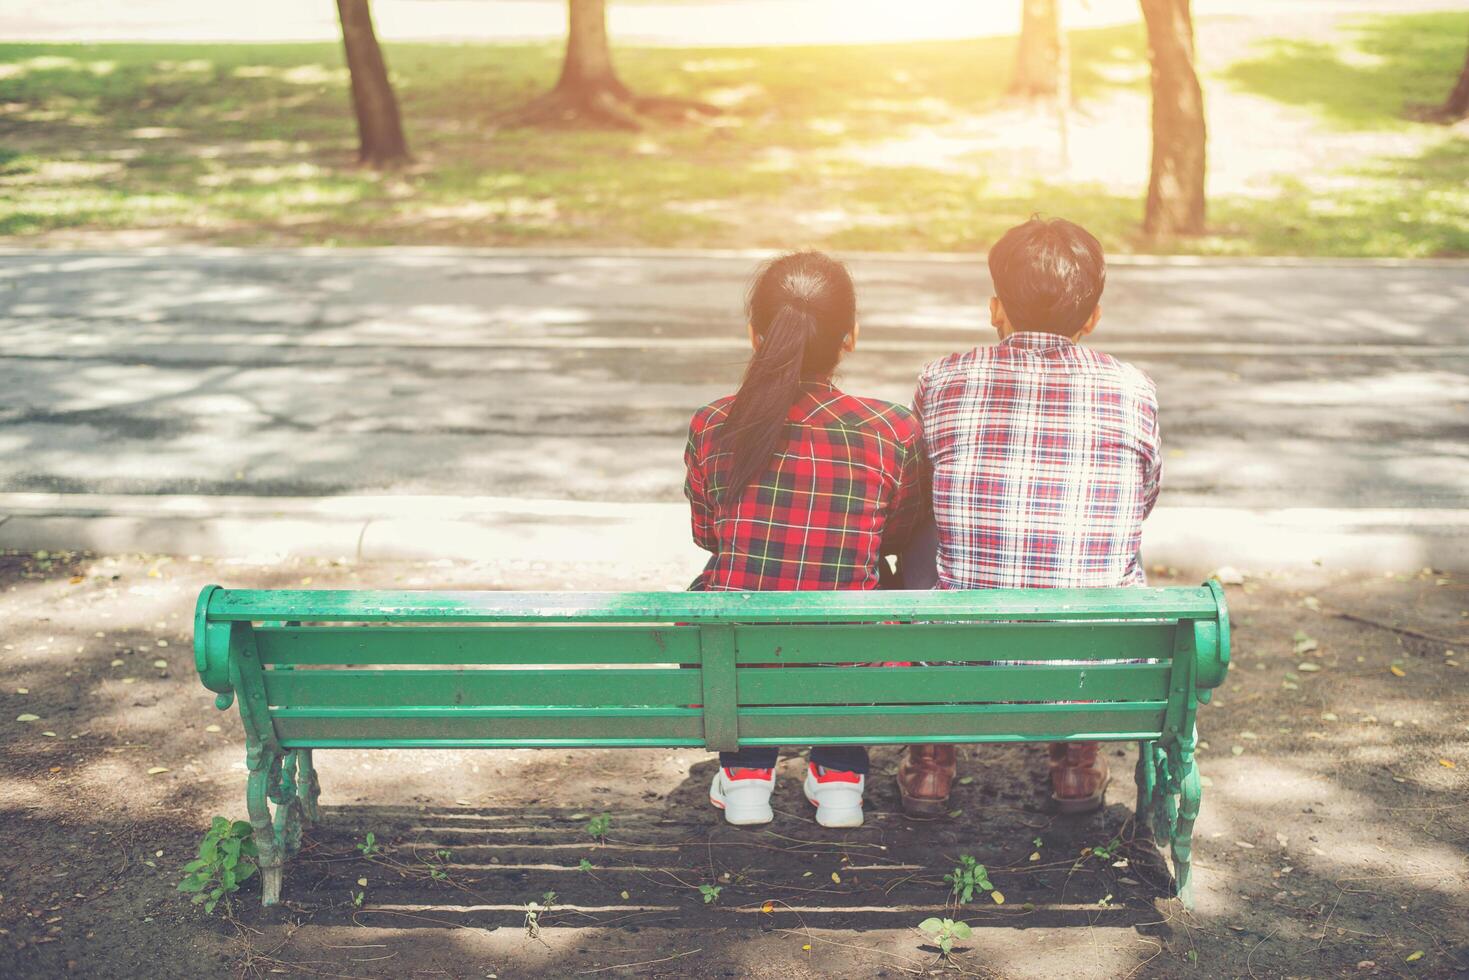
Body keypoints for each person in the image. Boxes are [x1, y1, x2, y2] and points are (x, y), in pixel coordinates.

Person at [897, 217, 1162, 817]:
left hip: (963, 650)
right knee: (1116, 530)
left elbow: (915, 496)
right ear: (1092, 319)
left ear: (996, 308)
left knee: (922, 523)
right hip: (1090, 653)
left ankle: (932, 761)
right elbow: (1144, 498)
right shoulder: (1133, 387)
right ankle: (1074, 762)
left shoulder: (942, 378)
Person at [685, 251, 923, 829]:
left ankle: (746, 775)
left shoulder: (713, 423)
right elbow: (900, 530)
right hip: (847, 653)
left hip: (740, 656)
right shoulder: (892, 431)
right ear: (850, 337)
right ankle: (840, 774)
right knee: (861, 591)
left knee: (739, 593)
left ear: (755, 336)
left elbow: (707, 533)